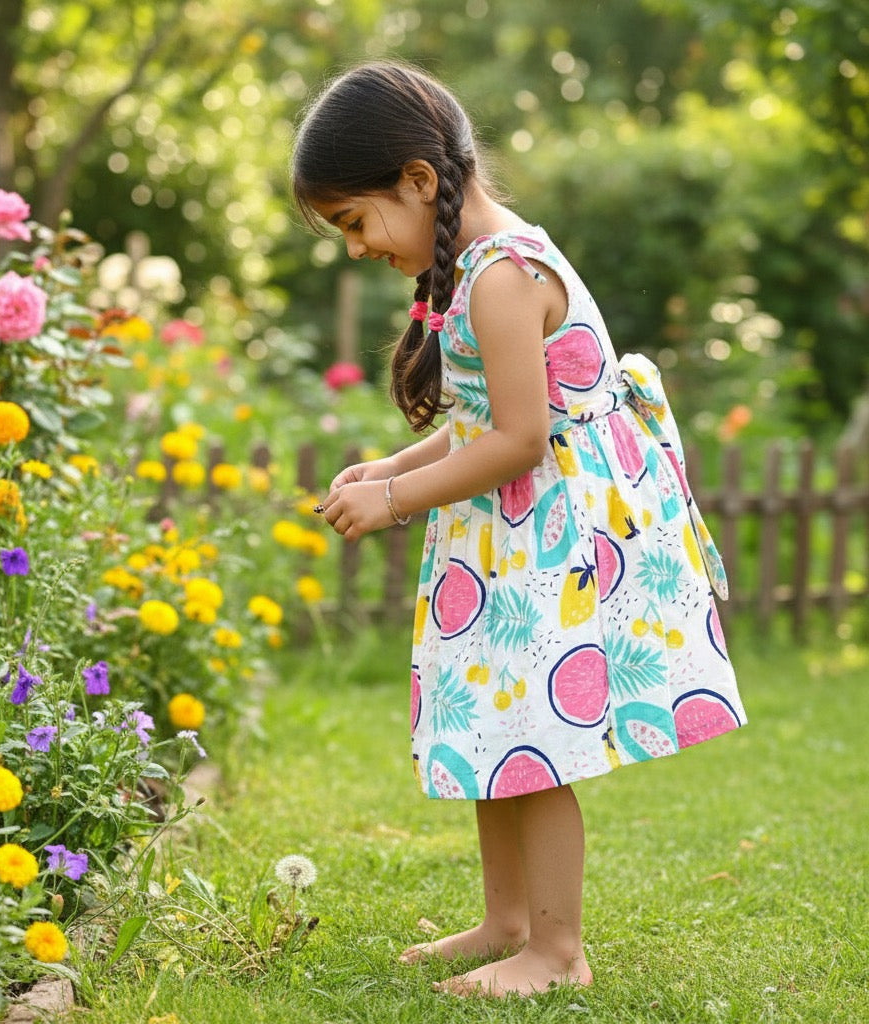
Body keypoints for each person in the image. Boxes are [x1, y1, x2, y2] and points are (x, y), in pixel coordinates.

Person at [291, 61, 746, 999]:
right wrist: (388, 467)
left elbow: (520, 438)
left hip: (548, 540)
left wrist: (398, 501)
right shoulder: (467, 269)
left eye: (354, 221)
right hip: (505, 533)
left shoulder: (503, 276)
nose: (354, 246)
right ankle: (506, 922)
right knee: (499, 724)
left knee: (535, 735)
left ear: (419, 180)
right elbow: (476, 424)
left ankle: (557, 949)